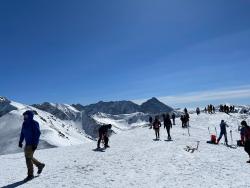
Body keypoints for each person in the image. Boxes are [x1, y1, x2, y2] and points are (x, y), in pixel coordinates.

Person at [19, 110, 45, 182]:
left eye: (26, 115)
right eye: (24, 115)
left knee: (28, 158)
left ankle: (30, 175)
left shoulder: (34, 123)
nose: (25, 117)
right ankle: (40, 165)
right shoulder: (24, 123)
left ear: (30, 116)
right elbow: (22, 133)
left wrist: (35, 144)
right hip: (27, 143)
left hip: (32, 144)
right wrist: (20, 141)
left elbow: (37, 134)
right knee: (29, 157)